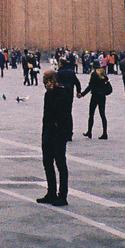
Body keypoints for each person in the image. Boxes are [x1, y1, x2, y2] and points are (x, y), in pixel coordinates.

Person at [36, 70, 69, 207]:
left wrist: (51, 92)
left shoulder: (62, 92)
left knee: (60, 164)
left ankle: (62, 196)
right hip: (48, 132)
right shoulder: (48, 93)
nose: (44, 82)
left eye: (46, 79)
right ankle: (51, 193)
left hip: (59, 133)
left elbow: (58, 110)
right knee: (47, 163)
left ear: (52, 79)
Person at [78, 66, 112, 139]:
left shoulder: (94, 74)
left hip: (95, 95)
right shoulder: (103, 73)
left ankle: (89, 131)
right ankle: (105, 133)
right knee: (102, 114)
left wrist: (82, 94)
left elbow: (90, 86)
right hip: (102, 96)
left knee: (91, 114)